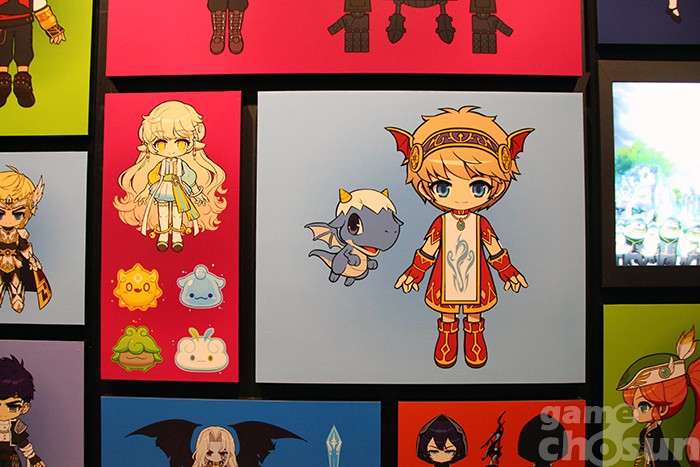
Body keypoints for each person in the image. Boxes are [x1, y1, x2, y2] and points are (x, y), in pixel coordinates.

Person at [387, 106, 532, 369]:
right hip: (446, 275)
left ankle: (475, 336)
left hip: (477, 276)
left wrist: (507, 271)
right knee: (448, 313)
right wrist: (415, 273)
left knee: (475, 313)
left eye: (478, 186)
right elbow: (429, 250)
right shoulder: (441, 223)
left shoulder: (481, 223)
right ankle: (447, 336)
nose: (462, 197)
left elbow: (494, 249)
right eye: (443, 187)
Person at [113, 100, 227, 253]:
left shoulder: (182, 164)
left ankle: (177, 237)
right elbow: (152, 178)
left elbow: (190, 178)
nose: (171, 149)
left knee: (178, 213)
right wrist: (144, 192)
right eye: (161, 143)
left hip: (179, 191)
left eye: (181, 142)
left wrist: (197, 193)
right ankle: (163, 236)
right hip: (162, 189)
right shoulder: (160, 165)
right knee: (163, 213)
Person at [617, 328, 700, 467]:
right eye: (633, 407)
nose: (635, 413)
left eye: (643, 407)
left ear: (662, 408)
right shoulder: (650, 429)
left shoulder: (654, 433)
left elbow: (656, 458)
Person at [0, 0, 66, 107]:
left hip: (22, 23)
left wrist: (53, 30)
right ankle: (5, 82)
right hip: (5, 24)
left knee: (22, 53)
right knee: (4, 54)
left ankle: (21, 83)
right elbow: (40, 7)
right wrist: (53, 29)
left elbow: (40, 8)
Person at [0, 355, 45, 467]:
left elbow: (24, 445)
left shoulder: (17, 427)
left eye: (12, 406)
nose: (2, 411)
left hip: (11, 461)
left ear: (24, 407)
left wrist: (34, 459)